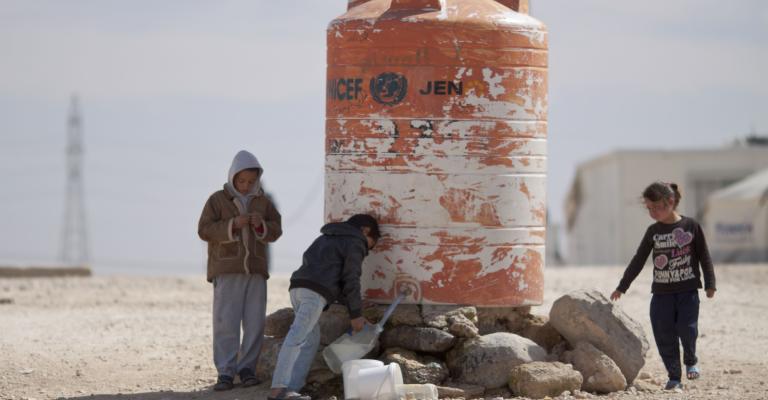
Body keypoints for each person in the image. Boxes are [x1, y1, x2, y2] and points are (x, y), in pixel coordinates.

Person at [610, 182, 716, 390]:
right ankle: (674, 377)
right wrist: (623, 286)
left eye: (657, 207)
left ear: (671, 202)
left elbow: (704, 256)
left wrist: (710, 283)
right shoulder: (653, 231)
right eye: (649, 208)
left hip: (687, 292)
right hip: (661, 294)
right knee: (663, 334)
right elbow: (638, 260)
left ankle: (691, 359)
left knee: (687, 329)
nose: (653, 213)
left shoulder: (691, 226)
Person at [268, 214, 380, 400]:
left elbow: (330, 275)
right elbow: (350, 279)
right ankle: (278, 391)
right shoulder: (356, 241)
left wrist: (355, 305)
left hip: (298, 288)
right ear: (366, 231)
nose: (367, 250)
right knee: (297, 337)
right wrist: (356, 315)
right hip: (314, 294)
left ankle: (293, 388)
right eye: (371, 245)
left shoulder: (326, 237)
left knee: (311, 339)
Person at [198, 150, 282, 391]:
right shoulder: (217, 200)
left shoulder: (264, 202)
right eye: (241, 181)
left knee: (255, 323)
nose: (245, 186)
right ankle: (225, 372)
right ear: (232, 177)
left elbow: (276, 230)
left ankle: (247, 369)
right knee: (226, 322)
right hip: (226, 270)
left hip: (256, 271)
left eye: (250, 182)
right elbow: (204, 230)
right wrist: (232, 224)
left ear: (257, 180)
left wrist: (261, 225)